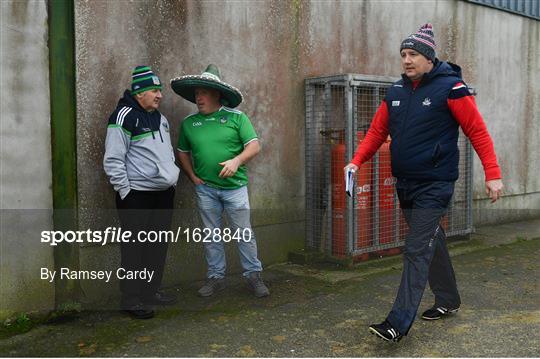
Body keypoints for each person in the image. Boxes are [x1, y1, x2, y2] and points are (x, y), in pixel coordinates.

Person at [344, 24, 504, 342]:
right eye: (403, 54)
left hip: (436, 184)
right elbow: (377, 132)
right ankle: (448, 299)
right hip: (405, 183)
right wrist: (356, 160)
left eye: (413, 54)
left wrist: (493, 173)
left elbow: (477, 130)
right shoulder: (397, 92)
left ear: (429, 58)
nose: (406, 60)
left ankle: (397, 323)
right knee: (434, 241)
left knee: (417, 249)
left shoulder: (451, 88)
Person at [171, 64, 269, 298]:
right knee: (211, 235)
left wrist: (236, 161)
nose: (199, 97)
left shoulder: (237, 118)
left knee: (243, 233)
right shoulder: (189, 123)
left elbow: (254, 146)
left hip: (235, 189)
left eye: (203, 93)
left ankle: (253, 276)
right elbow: (182, 152)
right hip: (206, 190)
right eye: (196, 94)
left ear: (216, 94)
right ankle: (216, 277)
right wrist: (192, 176)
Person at [103, 65, 180, 319]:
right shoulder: (123, 116)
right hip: (137, 196)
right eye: (153, 90)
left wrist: (172, 181)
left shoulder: (161, 119)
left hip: (163, 194)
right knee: (134, 248)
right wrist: (126, 191)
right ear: (139, 93)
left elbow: (166, 153)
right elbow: (113, 159)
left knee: (157, 245)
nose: (159, 95)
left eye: (160, 90)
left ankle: (150, 292)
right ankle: (131, 298)